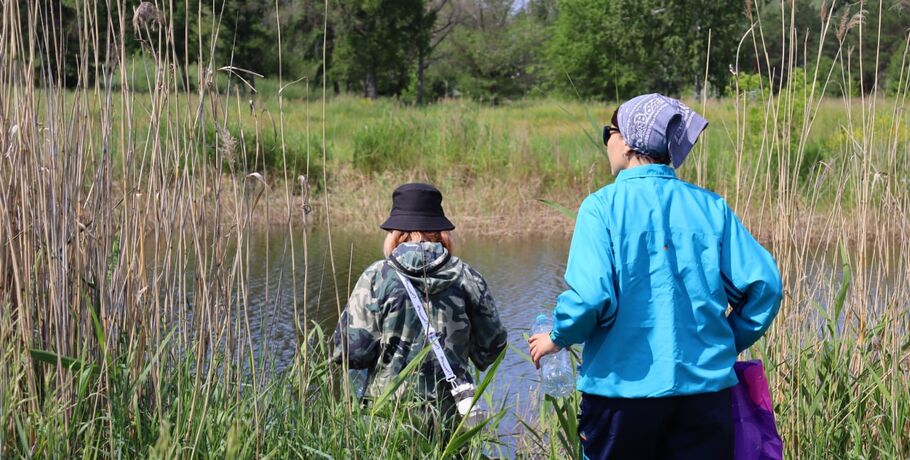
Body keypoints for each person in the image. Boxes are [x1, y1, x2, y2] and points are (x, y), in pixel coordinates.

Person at [528, 93, 783, 460]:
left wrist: (557, 337)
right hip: (705, 395)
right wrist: (725, 341)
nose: (608, 142)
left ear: (630, 141)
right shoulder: (711, 207)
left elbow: (589, 299)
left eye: (609, 132)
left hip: (621, 395)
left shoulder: (601, 208)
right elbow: (766, 287)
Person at [332, 182, 508, 433]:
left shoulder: (376, 276)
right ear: (440, 232)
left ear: (396, 232)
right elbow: (492, 347)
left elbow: (350, 352)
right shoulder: (466, 275)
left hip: (387, 423)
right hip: (450, 421)